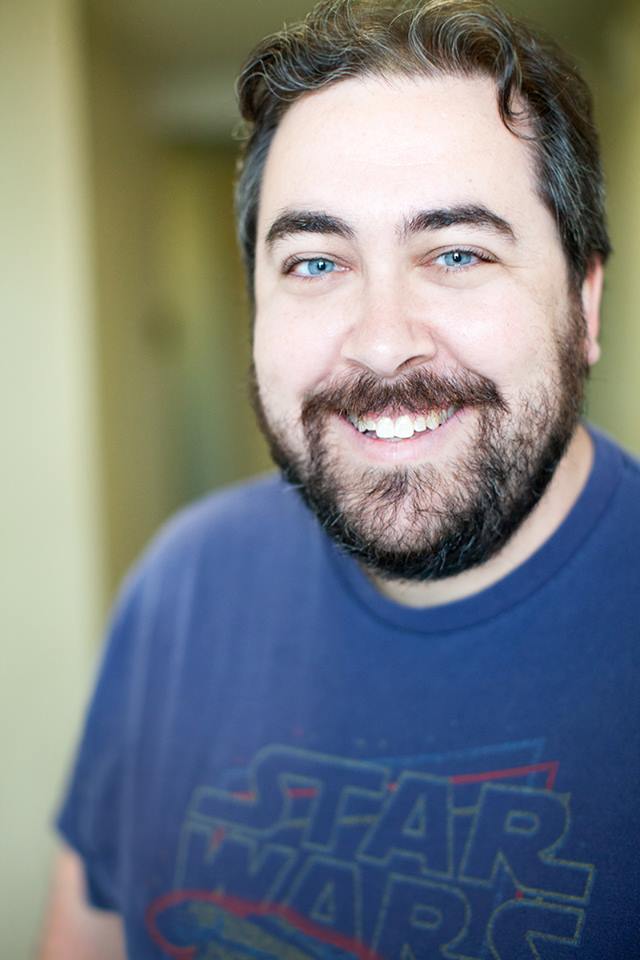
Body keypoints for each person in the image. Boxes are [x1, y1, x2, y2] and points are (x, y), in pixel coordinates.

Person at [40, 1, 640, 957]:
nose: (383, 342)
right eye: (316, 262)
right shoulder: (182, 587)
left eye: (457, 253)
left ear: (585, 301)